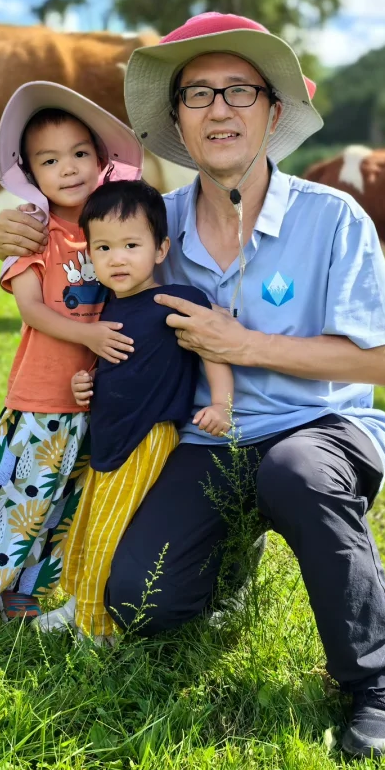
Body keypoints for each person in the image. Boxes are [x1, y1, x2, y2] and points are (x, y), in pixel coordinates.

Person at [0, 13, 385, 761]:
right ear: (178, 124)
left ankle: (378, 682)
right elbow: (73, 251)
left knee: (296, 475)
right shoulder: (156, 223)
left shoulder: (333, 218)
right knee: (141, 604)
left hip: (317, 431)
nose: (219, 109)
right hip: (203, 437)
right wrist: (15, 237)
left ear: (273, 112)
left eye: (240, 91)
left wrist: (243, 343)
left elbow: (382, 364)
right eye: (197, 95)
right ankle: (227, 566)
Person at [0, 81, 142, 631]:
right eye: (50, 160)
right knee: (20, 504)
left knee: (64, 509)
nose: (68, 169)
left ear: (100, 160)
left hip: (94, 399)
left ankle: (23, 591)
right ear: (31, 171)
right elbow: (32, 311)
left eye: (79, 154)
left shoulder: (112, 229)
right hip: (43, 398)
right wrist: (90, 338)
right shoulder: (35, 232)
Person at [34, 179, 234, 642]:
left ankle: (99, 630)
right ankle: (78, 603)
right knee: (85, 526)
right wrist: (88, 384)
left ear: (161, 249)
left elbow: (213, 350)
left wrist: (221, 403)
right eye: (103, 247)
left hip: (147, 438)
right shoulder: (108, 310)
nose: (116, 258)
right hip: (107, 435)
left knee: (111, 531)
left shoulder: (174, 302)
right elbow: (117, 369)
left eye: (131, 245)